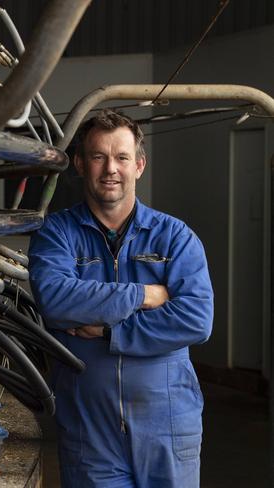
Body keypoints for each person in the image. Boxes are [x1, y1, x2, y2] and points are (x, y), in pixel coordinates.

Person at [28, 110, 214, 488]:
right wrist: (144, 294)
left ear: (139, 165)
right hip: (89, 428)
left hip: (168, 422)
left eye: (122, 157)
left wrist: (109, 332)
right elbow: (54, 299)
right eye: (98, 156)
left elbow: (195, 318)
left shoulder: (175, 237)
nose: (110, 168)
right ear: (80, 164)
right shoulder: (57, 233)